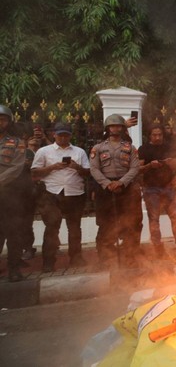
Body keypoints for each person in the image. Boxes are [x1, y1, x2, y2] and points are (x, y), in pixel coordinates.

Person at [31, 123, 91, 271]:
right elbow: (34, 173)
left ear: (70, 136)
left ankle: (76, 259)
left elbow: (88, 173)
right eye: (60, 135)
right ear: (54, 135)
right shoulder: (44, 151)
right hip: (51, 193)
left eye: (66, 135)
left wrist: (76, 167)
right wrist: (53, 167)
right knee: (51, 228)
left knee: (75, 228)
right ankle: (48, 262)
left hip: (75, 193)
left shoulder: (79, 152)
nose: (63, 137)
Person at [90, 114, 143, 269]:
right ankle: (106, 259)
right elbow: (94, 168)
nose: (115, 128)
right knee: (106, 225)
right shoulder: (98, 148)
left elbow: (135, 168)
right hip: (105, 189)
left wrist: (121, 182)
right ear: (107, 128)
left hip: (126, 188)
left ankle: (130, 258)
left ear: (122, 128)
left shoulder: (130, 148)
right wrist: (107, 184)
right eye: (112, 126)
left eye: (118, 126)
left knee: (131, 223)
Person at [138, 124, 176, 258]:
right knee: (154, 219)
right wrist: (149, 165)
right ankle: (158, 248)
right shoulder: (144, 149)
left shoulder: (169, 147)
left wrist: (173, 163)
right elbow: (138, 169)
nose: (157, 137)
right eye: (154, 135)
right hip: (151, 189)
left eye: (160, 135)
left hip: (169, 187)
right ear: (150, 136)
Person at [0, 105, 27, 282]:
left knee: (14, 233)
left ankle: (14, 269)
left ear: (9, 122)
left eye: (3, 119)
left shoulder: (17, 143)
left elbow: (16, 167)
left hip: (10, 194)